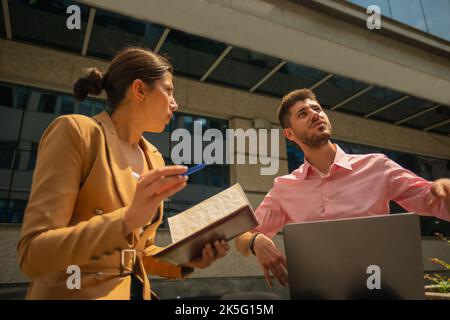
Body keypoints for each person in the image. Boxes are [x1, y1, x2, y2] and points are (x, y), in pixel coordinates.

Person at [17, 47, 229, 300]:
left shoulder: (153, 157)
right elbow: (32, 254)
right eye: (169, 90)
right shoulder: (77, 132)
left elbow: (135, 252)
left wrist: (188, 260)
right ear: (139, 90)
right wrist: (126, 220)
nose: (175, 103)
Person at [235, 88, 450, 288]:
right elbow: (242, 237)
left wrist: (443, 188)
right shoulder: (284, 188)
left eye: (317, 109)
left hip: (381, 287)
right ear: (289, 134)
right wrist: (256, 241)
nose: (314, 114)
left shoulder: (377, 166)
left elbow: (431, 199)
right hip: (319, 292)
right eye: (302, 114)